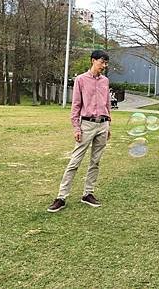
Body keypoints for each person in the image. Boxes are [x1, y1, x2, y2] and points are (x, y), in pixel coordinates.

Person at [47, 50, 111, 213]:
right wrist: (76, 127)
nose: (104, 66)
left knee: (95, 161)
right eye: (102, 62)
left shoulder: (105, 81)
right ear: (93, 61)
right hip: (86, 125)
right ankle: (61, 197)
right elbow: (76, 105)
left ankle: (88, 194)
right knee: (75, 161)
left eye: (106, 63)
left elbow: (107, 104)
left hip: (102, 125)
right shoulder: (81, 80)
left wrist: (108, 124)